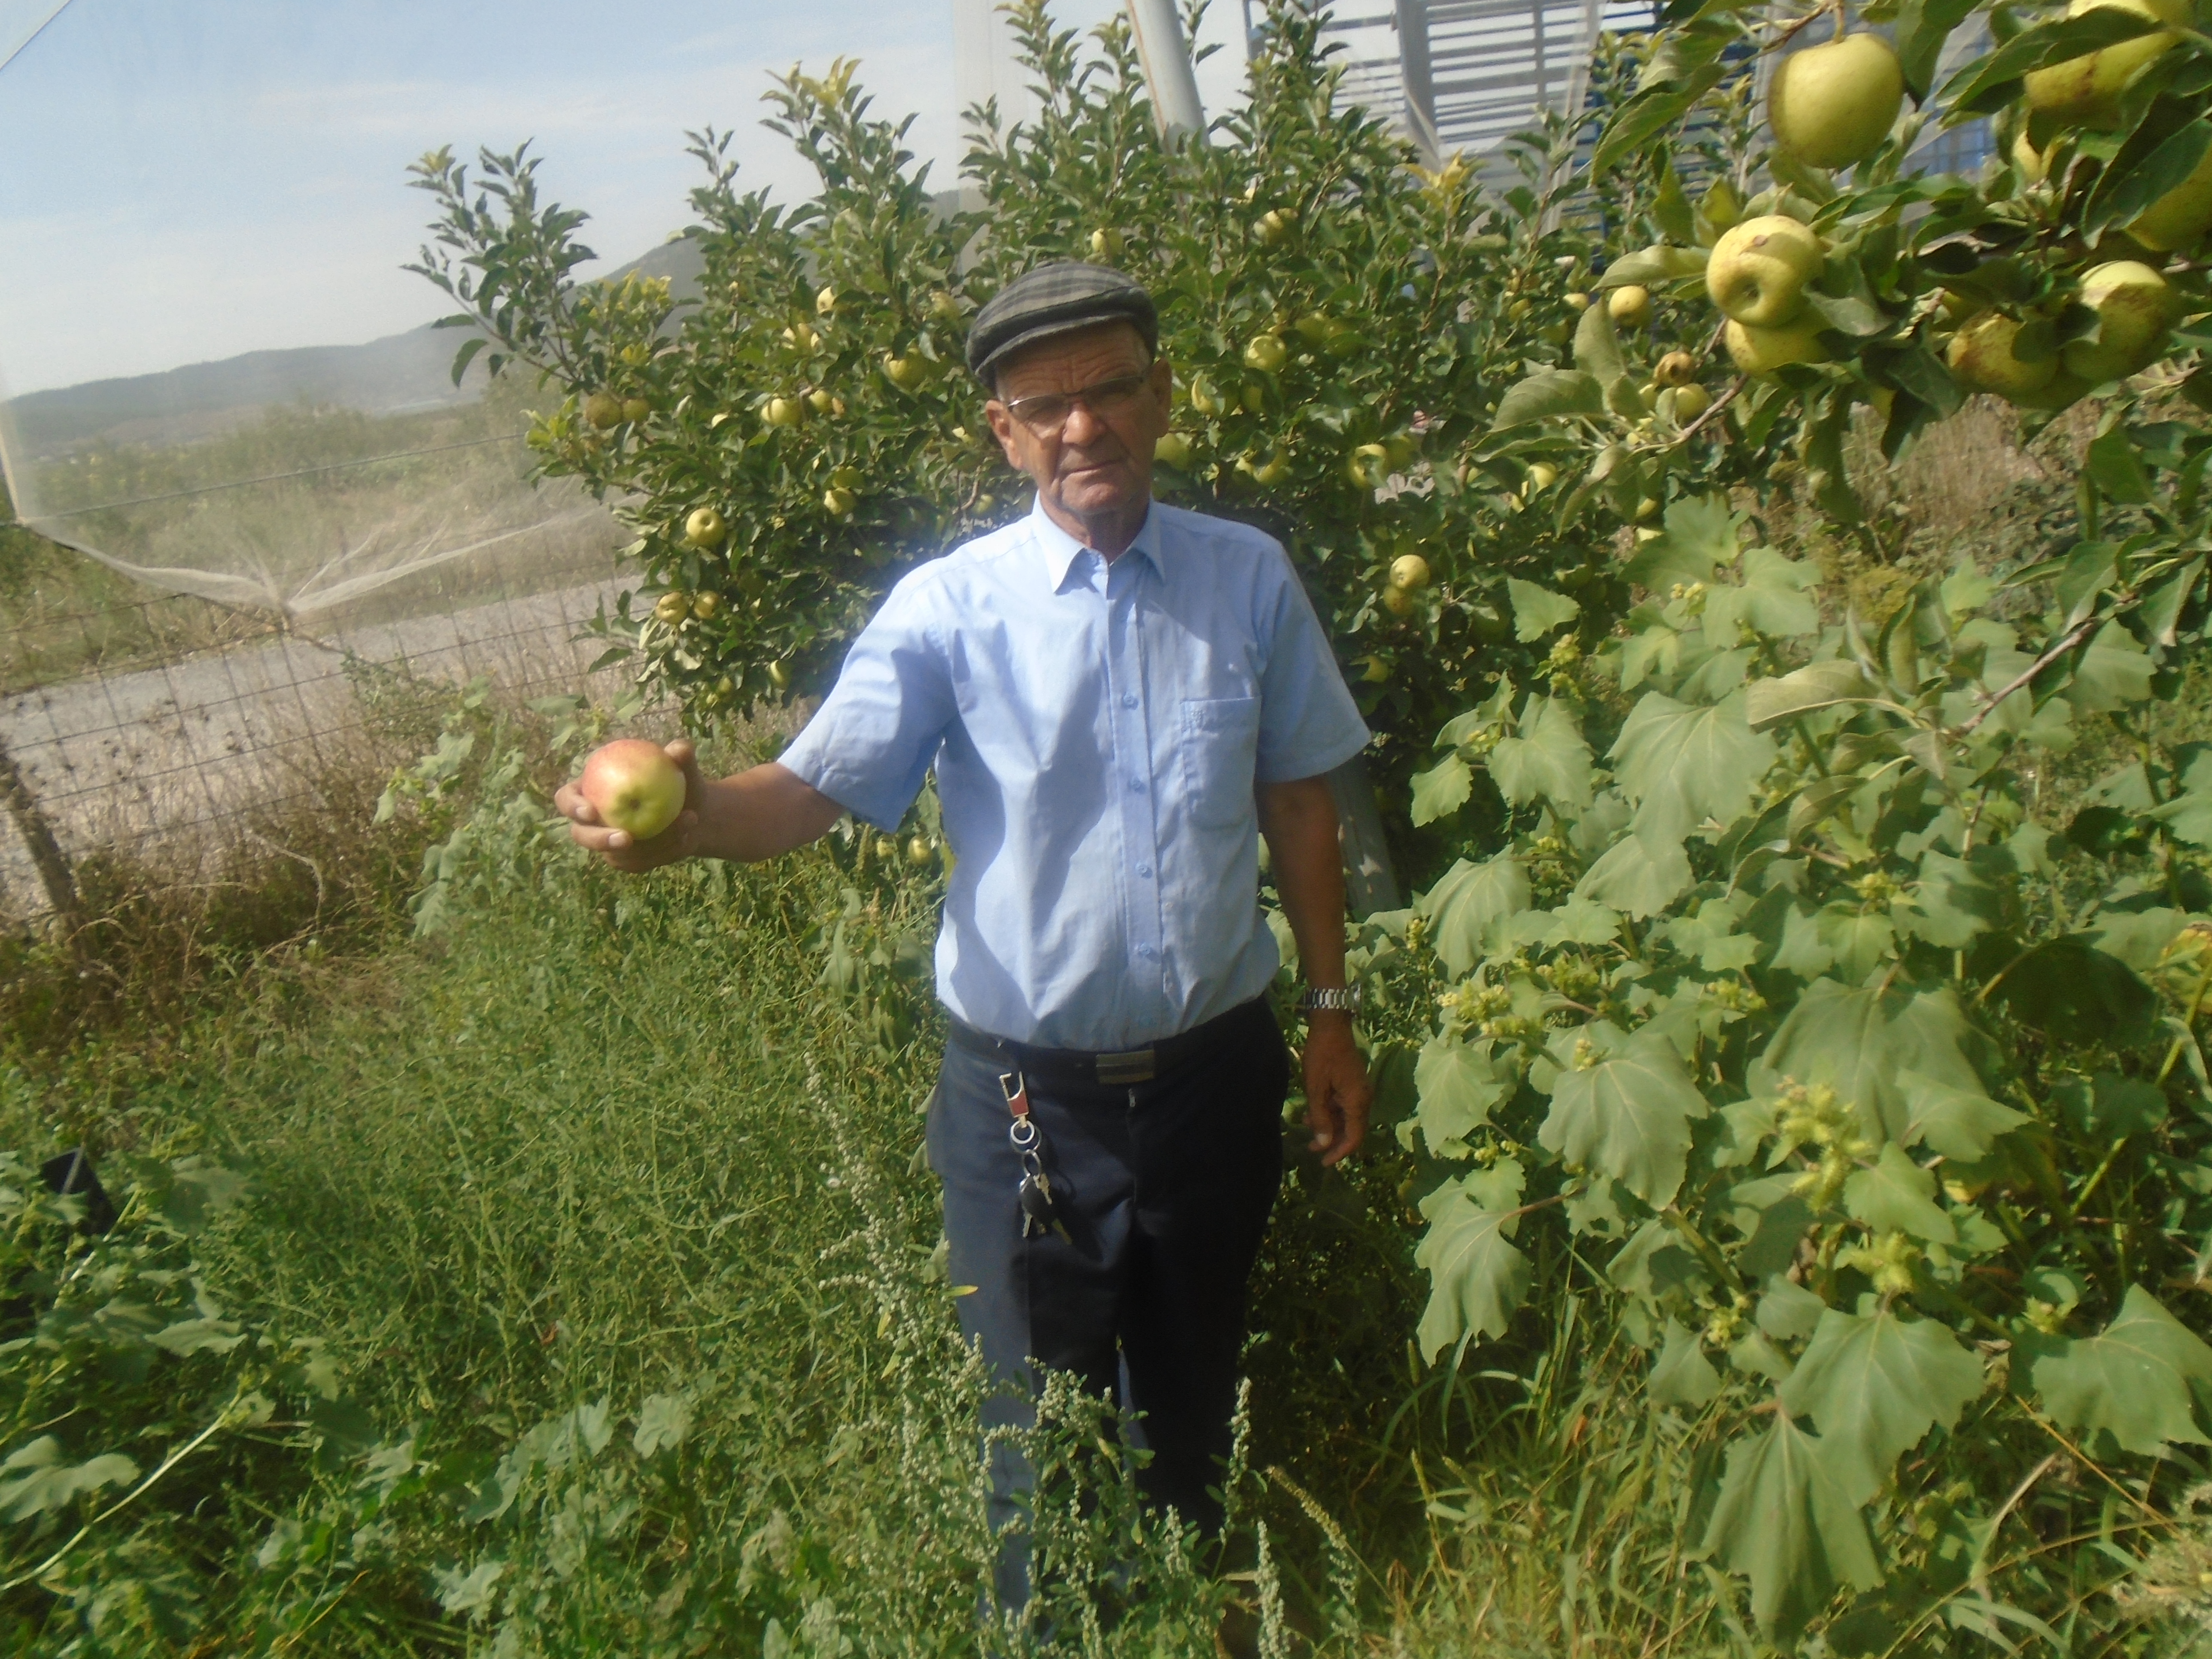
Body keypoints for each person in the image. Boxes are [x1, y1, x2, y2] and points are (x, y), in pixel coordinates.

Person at [556, 261, 1374, 1616]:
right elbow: (804, 794)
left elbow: (1297, 800)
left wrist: (1331, 1012)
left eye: (1112, 387)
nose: (1082, 427)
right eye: (1042, 404)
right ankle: (1055, 1639)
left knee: (1191, 1410)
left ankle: (1183, 1624)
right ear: (1002, 433)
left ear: (1163, 398)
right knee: (1036, 1447)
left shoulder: (1248, 580)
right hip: (1022, 1107)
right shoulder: (950, 609)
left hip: (1217, 1080)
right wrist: (685, 817)